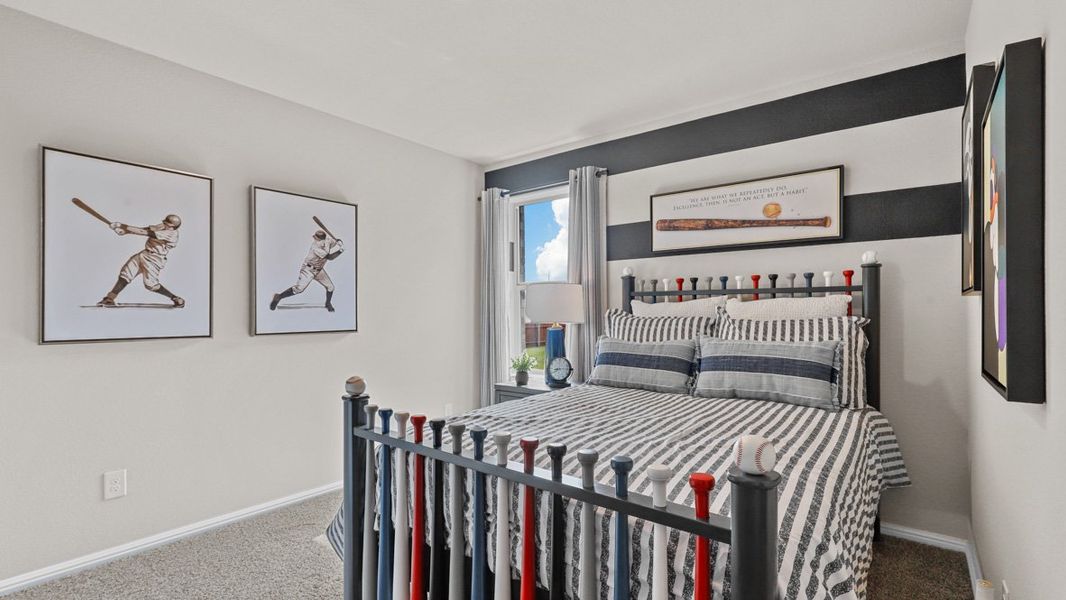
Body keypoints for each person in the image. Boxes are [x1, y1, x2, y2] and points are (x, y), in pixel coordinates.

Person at [98, 214, 184, 307]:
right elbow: (146, 229)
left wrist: (121, 225)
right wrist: (126, 231)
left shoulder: (172, 234)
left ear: (173, 226)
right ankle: (110, 298)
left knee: (151, 285)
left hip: (154, 259)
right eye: (165, 223)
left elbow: (144, 232)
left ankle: (175, 298)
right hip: (144, 253)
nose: (165, 224)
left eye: (168, 224)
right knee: (125, 274)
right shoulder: (163, 226)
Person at [270, 230, 343, 312]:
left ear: (320, 238)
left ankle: (328, 303)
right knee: (298, 289)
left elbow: (334, 242)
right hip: (308, 270)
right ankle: (278, 297)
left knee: (330, 287)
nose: (315, 239)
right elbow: (330, 257)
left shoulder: (327, 240)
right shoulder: (315, 247)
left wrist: (338, 241)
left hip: (319, 270)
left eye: (317, 238)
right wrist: (340, 250)